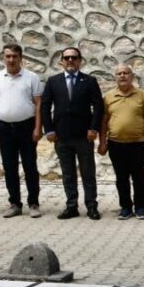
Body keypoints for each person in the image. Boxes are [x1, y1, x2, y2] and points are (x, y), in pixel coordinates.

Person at [40, 46, 104, 220]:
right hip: (61, 136)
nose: (70, 61)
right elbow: (45, 106)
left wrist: (94, 128)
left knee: (88, 173)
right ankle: (71, 206)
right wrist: (49, 130)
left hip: (84, 135)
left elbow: (98, 106)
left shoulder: (89, 81)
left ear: (79, 61)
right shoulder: (53, 81)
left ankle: (91, 205)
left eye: (74, 58)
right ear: (61, 61)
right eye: (66, 58)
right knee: (68, 173)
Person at [0, 43, 43, 218]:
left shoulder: (32, 78)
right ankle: (14, 203)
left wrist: (37, 128)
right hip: (4, 128)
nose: (11, 60)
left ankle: (33, 203)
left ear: (21, 58)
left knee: (30, 166)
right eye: (7, 56)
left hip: (26, 126)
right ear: (3, 58)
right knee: (9, 167)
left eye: (14, 56)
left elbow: (39, 104)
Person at [98, 63, 144, 220]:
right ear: (115, 77)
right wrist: (102, 142)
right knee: (121, 177)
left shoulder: (142, 95)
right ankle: (125, 207)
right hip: (116, 143)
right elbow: (104, 121)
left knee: (138, 177)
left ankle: (140, 207)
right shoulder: (108, 97)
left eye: (126, 73)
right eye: (119, 73)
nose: (122, 76)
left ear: (132, 76)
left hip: (137, 142)